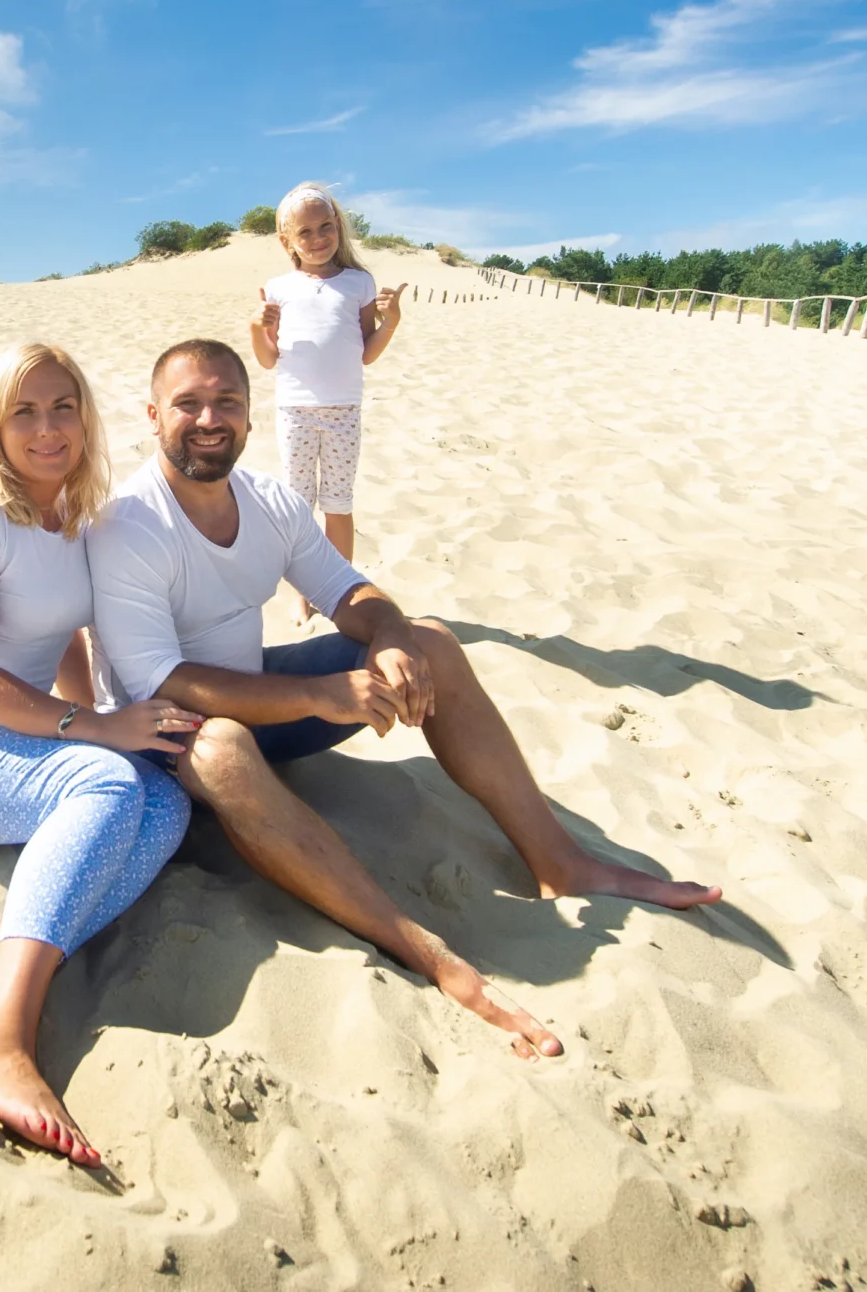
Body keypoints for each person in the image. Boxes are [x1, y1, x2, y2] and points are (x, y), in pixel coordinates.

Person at [89, 339, 721, 1061]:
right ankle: (418, 945)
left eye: (227, 401)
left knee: (434, 644)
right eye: (188, 403)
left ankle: (559, 861)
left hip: (261, 703)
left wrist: (388, 632)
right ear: (152, 416)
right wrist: (321, 693)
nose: (209, 417)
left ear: (250, 415)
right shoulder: (129, 525)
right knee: (222, 743)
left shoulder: (269, 503)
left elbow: (349, 591)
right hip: (167, 741)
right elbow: (161, 683)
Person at [0, 341, 203, 1164]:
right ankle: (6, 1042)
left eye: (63, 408)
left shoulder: (73, 515)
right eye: (25, 410)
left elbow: (66, 640)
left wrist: (95, 717)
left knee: (163, 802)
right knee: (107, 779)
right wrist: (96, 731)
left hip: (10, 734)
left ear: (86, 421)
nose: (47, 428)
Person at [248, 183, 406, 585]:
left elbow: (366, 352)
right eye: (305, 232)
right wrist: (256, 327)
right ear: (287, 241)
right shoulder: (279, 288)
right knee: (298, 506)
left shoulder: (359, 283)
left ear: (338, 226)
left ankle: (341, 590)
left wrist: (391, 322)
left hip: (343, 412)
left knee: (338, 503)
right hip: (294, 411)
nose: (318, 239)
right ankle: (304, 590)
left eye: (326, 226)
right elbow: (268, 360)